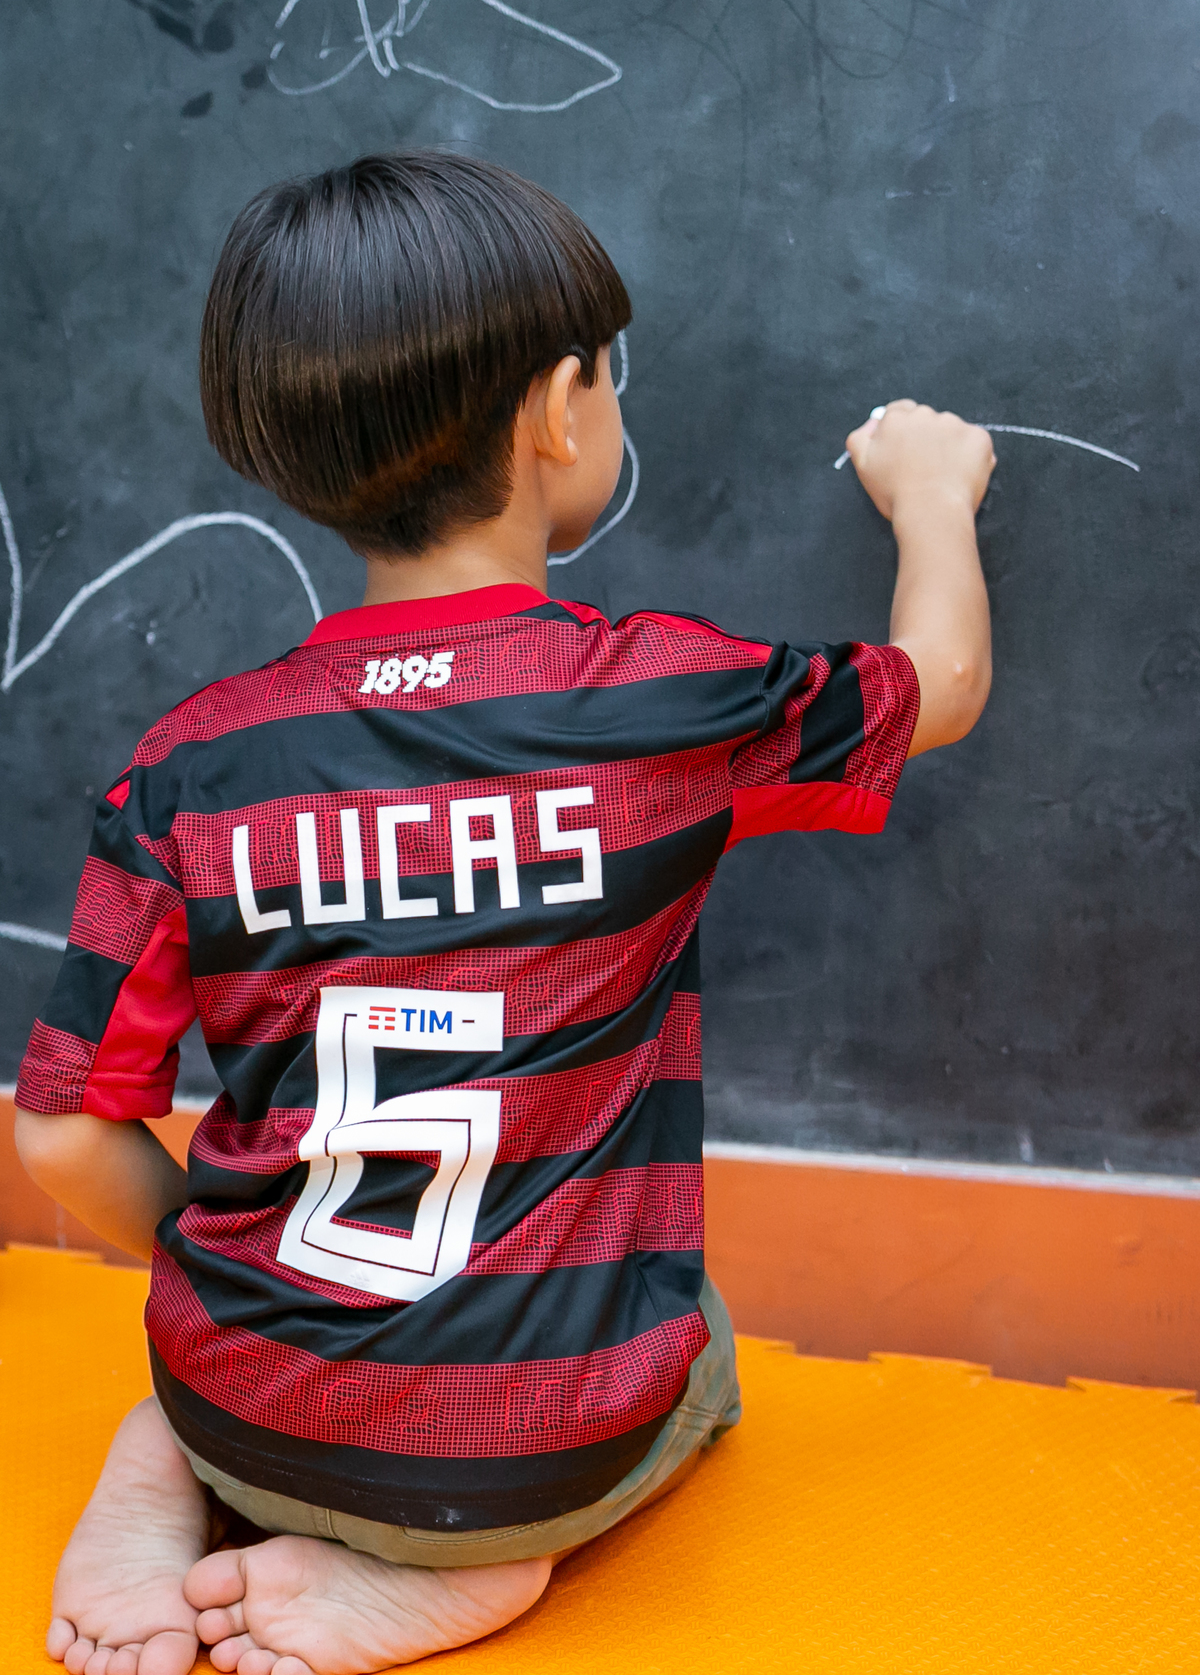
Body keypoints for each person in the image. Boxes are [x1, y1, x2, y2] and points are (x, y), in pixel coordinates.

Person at [14, 150, 994, 1675]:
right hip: (519, 1449)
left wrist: (223, 1284)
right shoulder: (664, 703)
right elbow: (939, 688)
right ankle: (471, 1565)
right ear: (559, 410)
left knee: (218, 1358)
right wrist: (935, 496)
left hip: (248, 1385)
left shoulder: (185, 771)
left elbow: (61, 1132)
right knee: (702, 1345)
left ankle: (181, 1463)